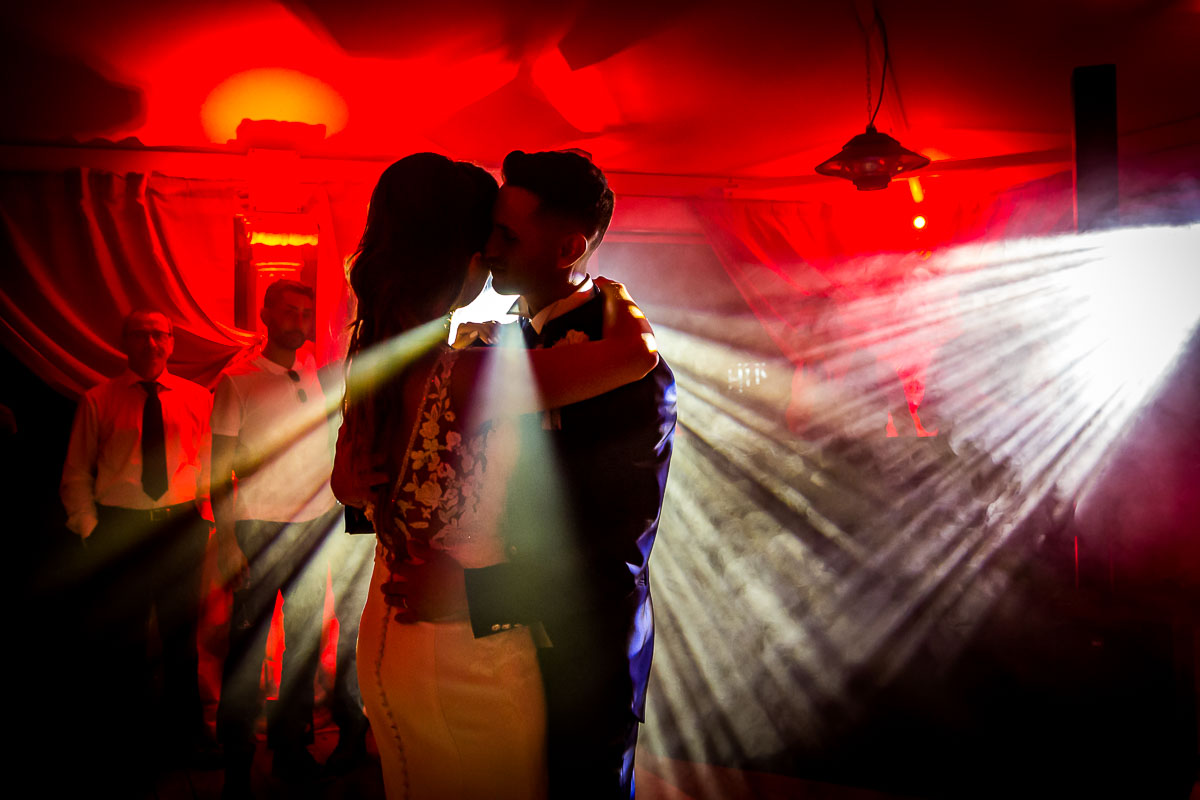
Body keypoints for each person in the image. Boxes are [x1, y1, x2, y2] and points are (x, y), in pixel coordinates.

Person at [333, 151, 661, 800]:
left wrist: (355, 494)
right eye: (487, 233)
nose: (491, 249)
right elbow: (635, 354)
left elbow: (610, 538)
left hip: (410, 632)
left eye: (505, 233)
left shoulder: (382, 353)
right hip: (461, 645)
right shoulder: (475, 365)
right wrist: (626, 311)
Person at [212, 280, 368, 798]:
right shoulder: (237, 380)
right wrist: (230, 539)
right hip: (259, 528)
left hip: (313, 526)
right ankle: (235, 761)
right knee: (248, 649)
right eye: (288, 310)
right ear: (265, 314)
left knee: (302, 646)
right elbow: (218, 470)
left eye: (305, 311)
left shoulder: (317, 377)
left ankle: (289, 750)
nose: (298, 318)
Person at [60, 309, 215, 786]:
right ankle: (128, 745)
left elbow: (211, 461)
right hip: (121, 528)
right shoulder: (98, 400)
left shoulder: (196, 398)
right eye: (141, 334)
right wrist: (90, 529)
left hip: (178, 525)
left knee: (180, 638)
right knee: (123, 643)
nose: (151, 342)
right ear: (124, 341)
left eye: (159, 334)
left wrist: (206, 519)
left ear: (172, 343)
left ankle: (186, 737)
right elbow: (76, 473)